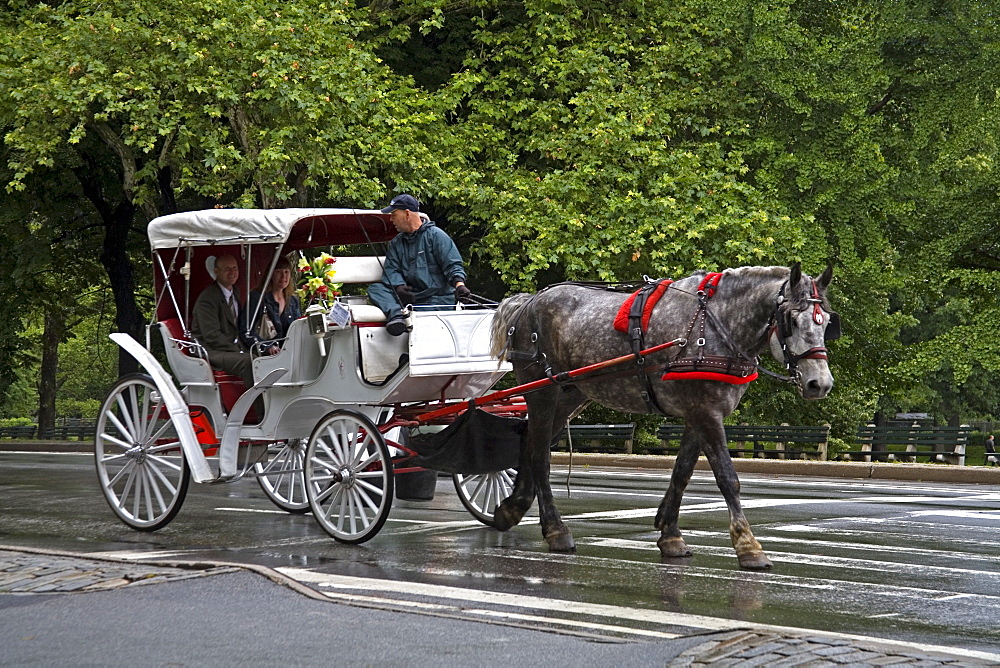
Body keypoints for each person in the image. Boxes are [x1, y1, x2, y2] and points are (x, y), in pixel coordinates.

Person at [367, 193, 471, 336]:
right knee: (376, 289)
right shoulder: (397, 243)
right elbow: (392, 270)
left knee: (425, 314)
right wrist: (399, 287)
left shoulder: (436, 236)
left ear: (407, 214)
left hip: (436, 299)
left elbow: (453, 264)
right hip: (411, 297)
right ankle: (397, 316)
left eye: (393, 214)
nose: (391, 219)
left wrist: (460, 286)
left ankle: (405, 319)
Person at [191, 253, 254, 388]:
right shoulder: (207, 298)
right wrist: (237, 350)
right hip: (211, 351)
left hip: (229, 348)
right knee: (250, 362)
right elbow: (211, 336)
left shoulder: (235, 292)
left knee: (265, 358)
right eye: (227, 269)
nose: (232, 273)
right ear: (216, 272)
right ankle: (260, 408)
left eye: (235, 268)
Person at [241, 256, 301, 355]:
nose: (283, 277)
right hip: (265, 356)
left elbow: (298, 329)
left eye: (286, 272)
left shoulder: (293, 300)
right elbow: (246, 331)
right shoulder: (257, 297)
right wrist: (267, 346)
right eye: (278, 272)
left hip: (290, 354)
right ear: (270, 274)